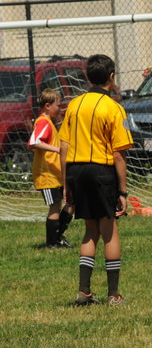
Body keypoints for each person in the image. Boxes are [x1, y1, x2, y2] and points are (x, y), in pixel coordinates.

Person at [59, 54, 133, 306]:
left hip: (76, 170)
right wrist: (122, 191)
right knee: (109, 231)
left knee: (90, 230)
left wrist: (66, 183)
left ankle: (84, 292)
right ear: (111, 77)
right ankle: (113, 295)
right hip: (101, 171)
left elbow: (64, 146)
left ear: (87, 77)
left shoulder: (74, 105)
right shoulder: (114, 108)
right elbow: (118, 154)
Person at [28, 88, 74, 249]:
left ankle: (57, 238)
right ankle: (52, 243)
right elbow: (34, 142)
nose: (60, 109)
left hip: (55, 173)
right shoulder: (43, 122)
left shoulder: (49, 123)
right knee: (55, 206)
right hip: (46, 175)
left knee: (70, 202)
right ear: (47, 106)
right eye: (58, 106)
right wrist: (57, 149)